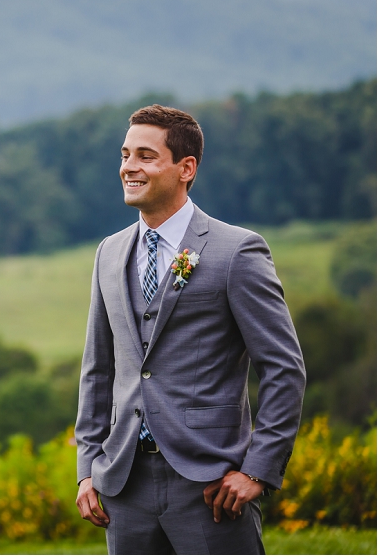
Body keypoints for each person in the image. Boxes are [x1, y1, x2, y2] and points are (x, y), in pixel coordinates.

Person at [74, 105, 306, 554]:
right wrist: (88, 467)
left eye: (145, 155)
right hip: (123, 485)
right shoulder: (108, 252)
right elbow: (98, 370)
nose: (128, 167)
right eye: (125, 155)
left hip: (210, 486)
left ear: (186, 168)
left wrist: (257, 469)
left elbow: (283, 368)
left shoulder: (236, 251)